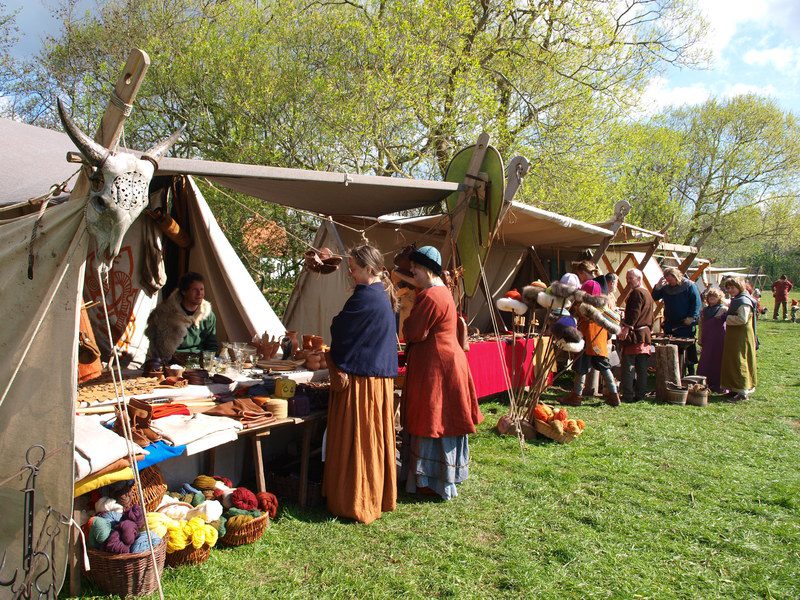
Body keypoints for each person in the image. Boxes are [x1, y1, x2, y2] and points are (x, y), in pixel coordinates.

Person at [323, 244, 399, 523]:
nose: (351, 273)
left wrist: (336, 324)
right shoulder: (383, 294)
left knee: (359, 441)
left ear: (369, 268)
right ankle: (376, 496)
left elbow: (341, 329)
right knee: (372, 441)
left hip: (362, 384)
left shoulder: (365, 296)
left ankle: (355, 501)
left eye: (354, 269)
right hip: (378, 382)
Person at [401, 245, 483, 500]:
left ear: (427, 268)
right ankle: (438, 477)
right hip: (443, 362)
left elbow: (413, 331)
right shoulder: (441, 292)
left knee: (433, 419)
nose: (412, 271)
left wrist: (406, 321)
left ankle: (430, 481)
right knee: (441, 419)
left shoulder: (431, 296)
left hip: (438, 366)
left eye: (415, 267)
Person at [560, 280, 621, 407]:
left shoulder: (582, 306)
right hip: (599, 341)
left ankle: (576, 396)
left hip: (587, 340)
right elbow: (614, 320)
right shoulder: (603, 306)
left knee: (581, 368)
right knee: (604, 367)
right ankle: (614, 395)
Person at [145, 272, 219, 361]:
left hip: (199, 360)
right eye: (195, 290)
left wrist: (207, 360)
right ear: (184, 292)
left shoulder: (208, 315)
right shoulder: (165, 315)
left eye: (201, 289)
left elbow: (212, 345)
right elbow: (160, 349)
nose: (199, 293)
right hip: (173, 362)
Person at [652, 267, 701, 376]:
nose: (669, 282)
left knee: (688, 349)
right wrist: (658, 286)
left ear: (676, 276)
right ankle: (672, 373)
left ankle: (690, 373)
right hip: (670, 323)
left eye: (670, 279)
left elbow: (696, 302)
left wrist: (692, 317)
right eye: (667, 280)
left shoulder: (689, 286)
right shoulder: (666, 288)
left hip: (685, 324)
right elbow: (655, 296)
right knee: (672, 348)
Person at [720, 277, 758, 401]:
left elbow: (742, 319)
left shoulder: (743, 301)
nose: (730, 290)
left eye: (733, 287)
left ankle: (743, 391)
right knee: (732, 360)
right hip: (734, 334)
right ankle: (734, 388)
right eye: (728, 288)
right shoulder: (737, 299)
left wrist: (727, 318)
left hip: (742, 335)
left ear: (739, 287)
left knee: (740, 360)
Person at [619, 269, 654, 403]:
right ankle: (640, 394)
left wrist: (626, 328)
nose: (628, 281)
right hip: (644, 334)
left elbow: (634, 313)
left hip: (636, 335)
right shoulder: (647, 293)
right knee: (641, 368)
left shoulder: (637, 293)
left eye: (631, 278)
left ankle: (628, 395)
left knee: (629, 366)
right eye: (627, 278)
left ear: (639, 279)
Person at [697, 287, 727, 393]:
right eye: (710, 297)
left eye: (714, 297)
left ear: (719, 298)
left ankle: (719, 384)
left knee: (718, 360)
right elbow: (701, 325)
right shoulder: (704, 310)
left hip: (719, 338)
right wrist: (700, 338)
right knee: (706, 360)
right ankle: (704, 383)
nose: (712, 299)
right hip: (707, 337)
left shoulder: (723, 309)